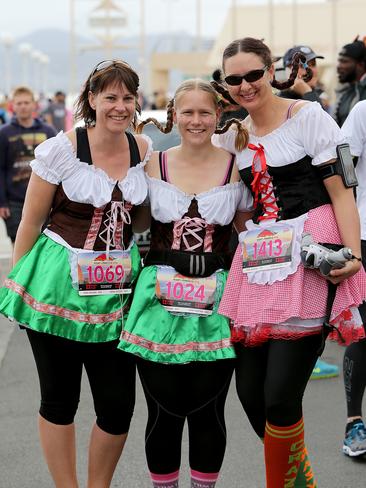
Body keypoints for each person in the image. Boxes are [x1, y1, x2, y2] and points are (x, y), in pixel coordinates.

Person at [212, 37, 366, 487]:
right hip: (259, 264)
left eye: (253, 75)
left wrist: (353, 253)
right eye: (234, 79)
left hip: (310, 257)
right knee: (250, 396)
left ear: (271, 71)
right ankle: (301, 482)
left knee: (280, 396)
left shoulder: (308, 117)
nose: (245, 86)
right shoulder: (232, 135)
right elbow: (238, 204)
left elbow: (343, 191)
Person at [0, 60, 152, 488]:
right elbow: (30, 222)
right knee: (59, 398)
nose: (119, 106)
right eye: (110, 97)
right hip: (58, 282)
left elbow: (138, 224)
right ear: (91, 100)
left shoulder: (143, 150)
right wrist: (18, 286)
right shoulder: (62, 150)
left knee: (118, 405)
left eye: (127, 98)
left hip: (118, 289)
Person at [118, 79, 253, 488]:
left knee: (208, 410)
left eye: (204, 112)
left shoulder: (237, 166)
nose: (196, 121)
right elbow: (129, 221)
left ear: (218, 116)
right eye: (187, 112)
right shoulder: (150, 164)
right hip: (156, 298)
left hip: (216, 298)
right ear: (173, 115)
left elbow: (249, 234)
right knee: (163, 409)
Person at [340, 100, 366, 457]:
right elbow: (343, 168)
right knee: (364, 333)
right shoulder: (363, 110)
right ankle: (354, 424)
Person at [0, 86, 56, 244]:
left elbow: (57, 168)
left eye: (26, 102)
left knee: (43, 247)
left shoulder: (48, 131)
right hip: (15, 202)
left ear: (34, 105)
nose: (23, 106)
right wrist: (2, 202)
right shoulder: (4, 133)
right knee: (19, 247)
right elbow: (1, 169)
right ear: (13, 106)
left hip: (44, 200)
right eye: (19, 103)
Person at [279, 45, 331, 112]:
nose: (311, 70)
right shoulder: (282, 101)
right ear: (288, 71)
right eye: (302, 66)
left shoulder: (320, 95)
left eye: (313, 64)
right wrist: (307, 93)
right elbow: (320, 119)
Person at [335, 38, 366, 127]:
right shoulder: (347, 91)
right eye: (339, 61)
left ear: (361, 64)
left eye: (344, 61)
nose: (339, 66)